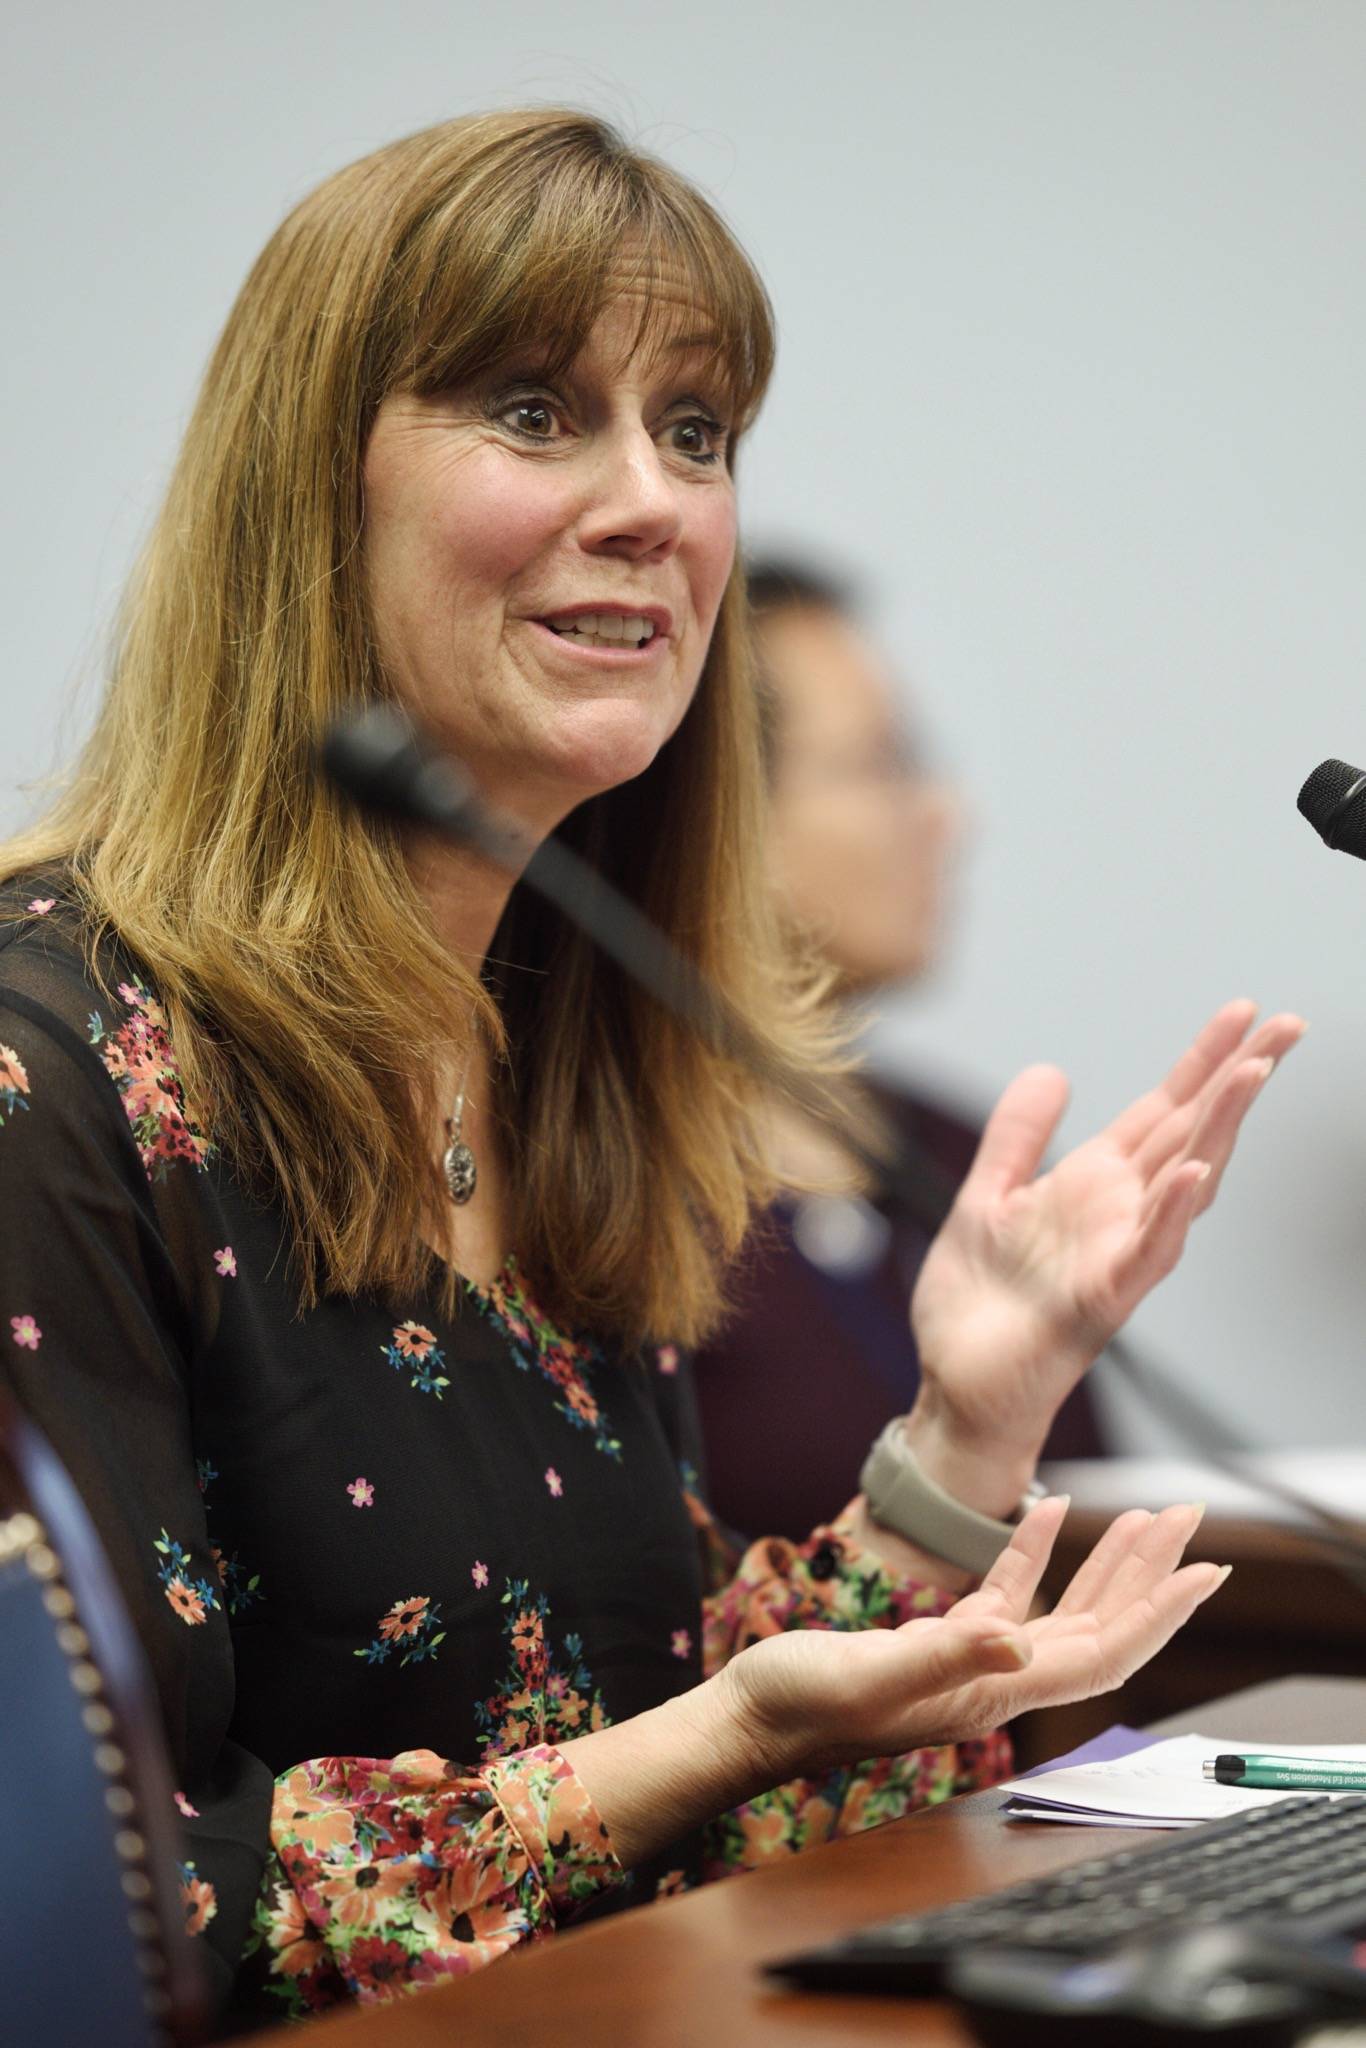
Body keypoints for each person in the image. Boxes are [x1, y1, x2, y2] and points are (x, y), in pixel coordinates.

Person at [0, 109, 1301, 2030]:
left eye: (696, 431)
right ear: (311, 492)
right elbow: (113, 1910)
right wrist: (714, 1741)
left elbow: (664, 1776)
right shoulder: (57, 1078)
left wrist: (958, 1439)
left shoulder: (550, 1050)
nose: (653, 505)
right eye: (535, 410)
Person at [693, 562, 1105, 1543]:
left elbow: (1089, 1509)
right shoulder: (596, 1192)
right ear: (714, 812)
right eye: (884, 763)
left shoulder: (969, 1158)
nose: (947, 814)